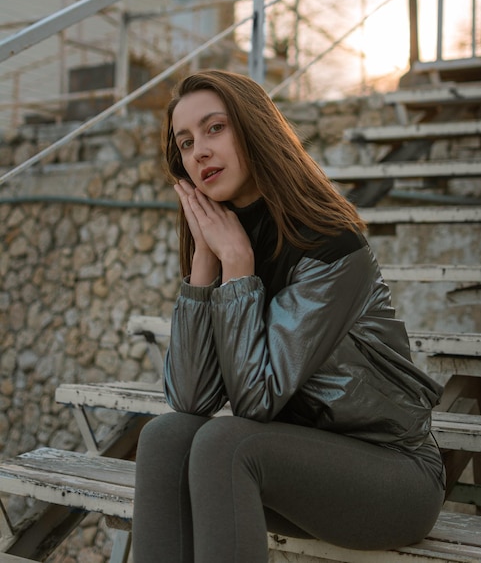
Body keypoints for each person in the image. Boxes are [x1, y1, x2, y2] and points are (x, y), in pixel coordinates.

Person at [132, 69, 445, 563]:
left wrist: (237, 268)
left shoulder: (332, 249)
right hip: (294, 465)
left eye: (215, 128)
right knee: (166, 436)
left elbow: (254, 403)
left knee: (224, 442)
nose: (199, 152)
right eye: (186, 143)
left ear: (254, 127)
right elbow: (191, 398)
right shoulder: (227, 240)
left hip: (395, 477)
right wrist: (203, 268)